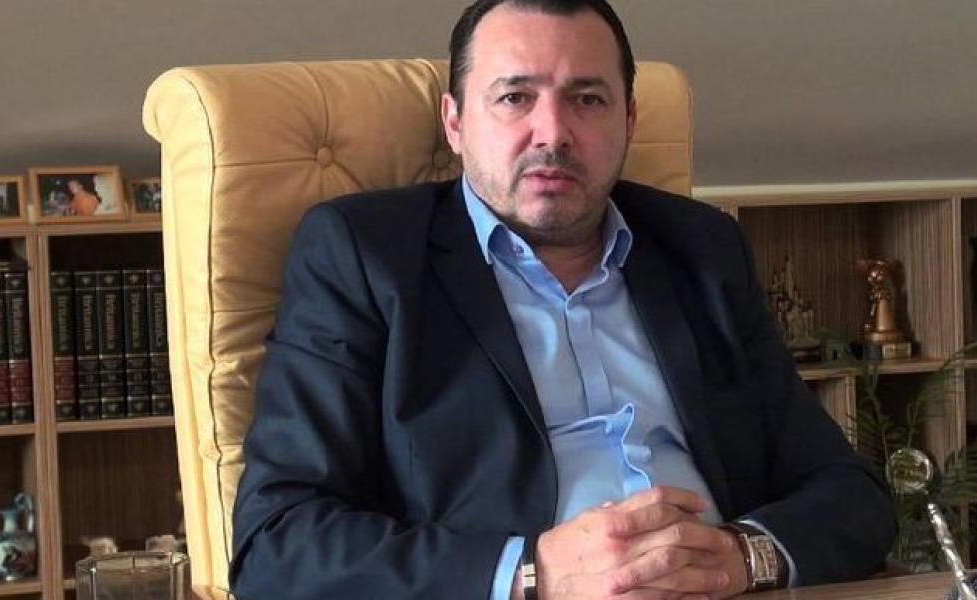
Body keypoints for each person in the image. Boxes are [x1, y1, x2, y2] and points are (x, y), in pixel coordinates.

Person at [229, 1, 896, 598]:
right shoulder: (364, 255)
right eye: (515, 97)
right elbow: (278, 543)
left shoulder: (702, 249)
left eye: (588, 99)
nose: (552, 133)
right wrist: (533, 573)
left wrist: (742, 557)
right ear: (455, 122)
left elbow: (852, 494)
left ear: (628, 121)